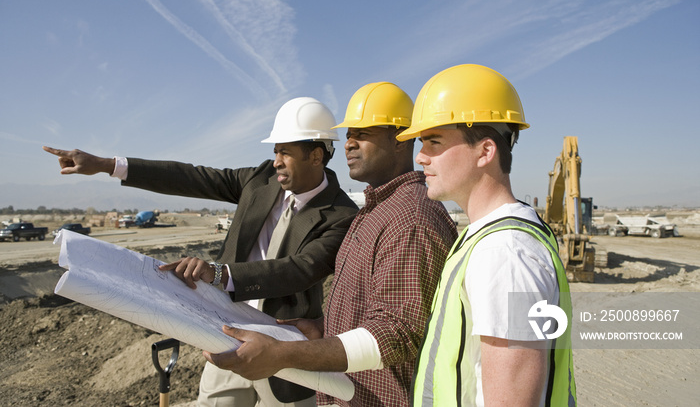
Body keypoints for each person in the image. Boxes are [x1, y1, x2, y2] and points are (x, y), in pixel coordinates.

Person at [44, 97, 359, 407]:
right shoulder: (260, 179)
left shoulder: (340, 214)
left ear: (316, 156)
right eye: (275, 151)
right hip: (225, 334)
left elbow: (300, 269)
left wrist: (221, 273)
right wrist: (107, 165)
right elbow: (193, 177)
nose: (276, 160)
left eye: (285, 152)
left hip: (284, 348)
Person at [202, 82, 458, 406]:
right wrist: (323, 330)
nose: (348, 143)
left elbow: (397, 333)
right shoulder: (380, 208)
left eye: (362, 134)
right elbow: (375, 311)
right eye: (349, 134)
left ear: (400, 139)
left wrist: (285, 353)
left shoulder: (410, 219)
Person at [394, 64, 577, 406]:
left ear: (485, 151)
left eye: (433, 142)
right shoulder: (487, 238)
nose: (420, 156)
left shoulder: (505, 252)